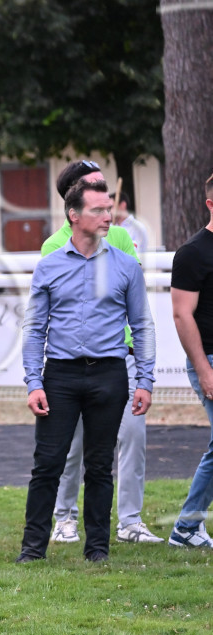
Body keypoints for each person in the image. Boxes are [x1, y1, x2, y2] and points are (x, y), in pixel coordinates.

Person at [16, 178, 155, 564]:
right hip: (59, 376)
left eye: (109, 208)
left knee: (99, 466)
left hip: (110, 374)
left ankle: (97, 550)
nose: (108, 216)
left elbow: (142, 326)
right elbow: (34, 330)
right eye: (98, 210)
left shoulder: (126, 266)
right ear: (74, 215)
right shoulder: (48, 266)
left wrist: (145, 380)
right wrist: (33, 382)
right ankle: (32, 550)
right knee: (47, 463)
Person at [168, 171, 213, 547]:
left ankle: (187, 527)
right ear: (211, 204)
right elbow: (182, 316)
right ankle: (186, 527)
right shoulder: (192, 253)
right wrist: (204, 370)